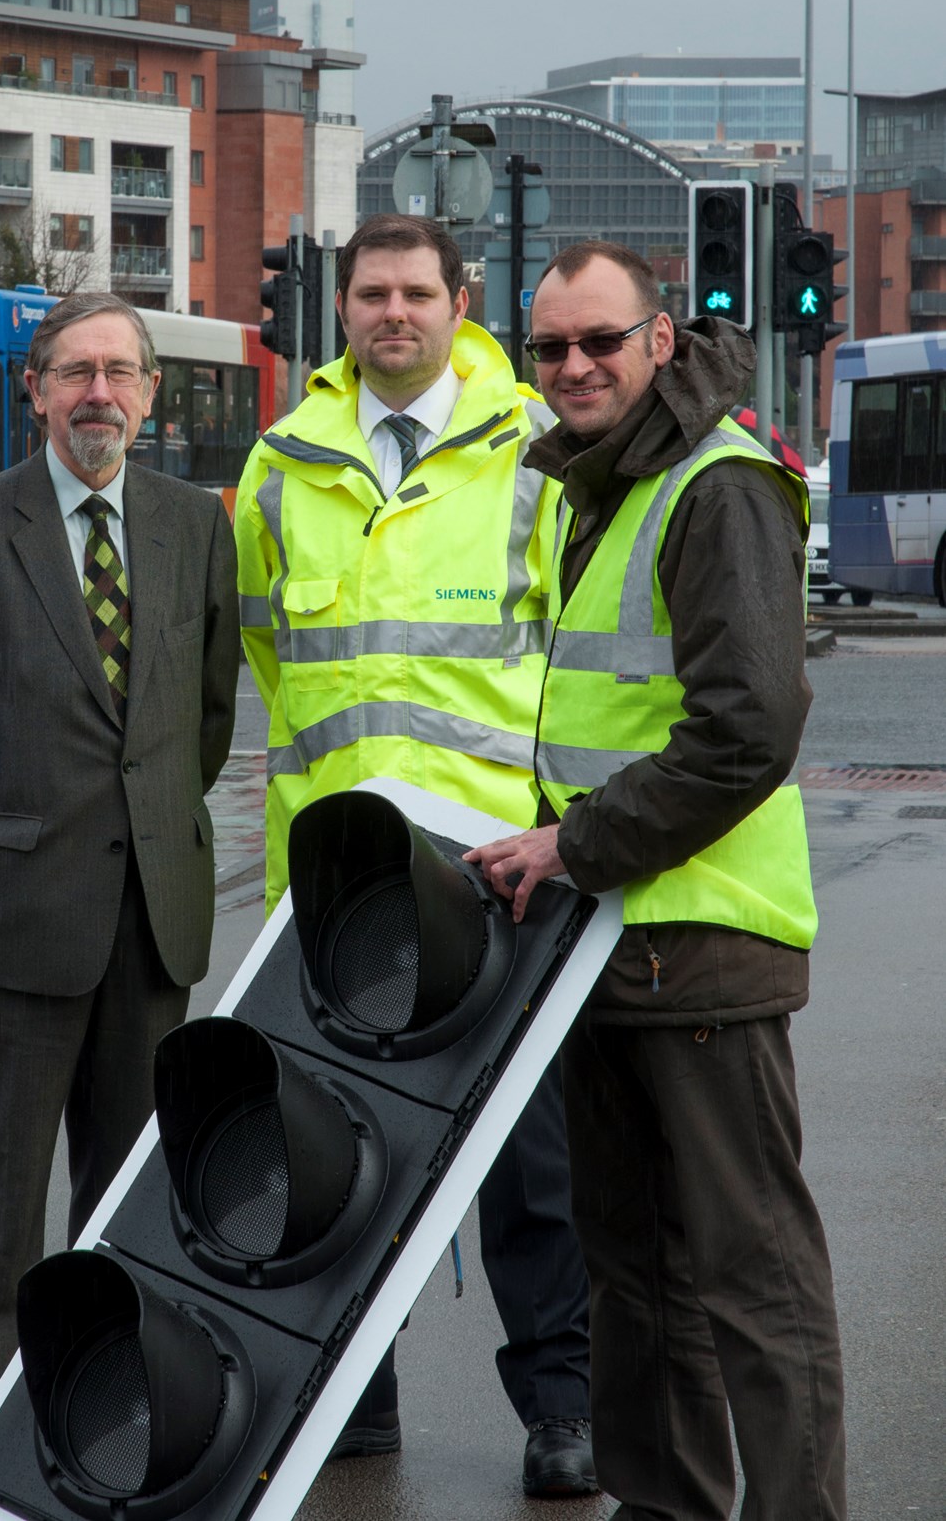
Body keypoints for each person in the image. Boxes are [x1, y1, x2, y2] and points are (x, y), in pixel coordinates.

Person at [467, 240, 846, 1521]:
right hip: (608, 946)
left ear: (660, 342)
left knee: (753, 1282)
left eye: (599, 342)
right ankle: (664, 1504)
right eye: (550, 348)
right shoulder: (605, 482)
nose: (573, 367)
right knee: (633, 1277)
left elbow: (745, 730)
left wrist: (570, 846)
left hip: (702, 946)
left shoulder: (717, 484)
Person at [234, 215, 598, 1499]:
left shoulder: (538, 454)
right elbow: (272, 658)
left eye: (414, 293)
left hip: (497, 870)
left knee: (529, 1165)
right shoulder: (279, 464)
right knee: (341, 1164)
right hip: (333, 888)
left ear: (462, 303)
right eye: (370, 294)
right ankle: (355, 1404)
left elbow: (575, 659)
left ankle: (565, 1409)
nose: (393, 313)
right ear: (338, 310)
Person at [0, 290, 241, 1457]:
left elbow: (206, 715)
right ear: (33, 389)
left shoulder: (196, 524)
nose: (100, 393)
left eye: (121, 372)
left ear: (150, 394)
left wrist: (141, 833)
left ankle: (106, 1401)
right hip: (9, 928)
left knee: (128, 1197)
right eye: (75, 371)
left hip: (151, 921)